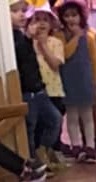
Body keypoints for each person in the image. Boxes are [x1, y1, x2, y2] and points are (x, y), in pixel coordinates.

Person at [10, 0, 63, 161]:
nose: (21, 14)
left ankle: (41, 151)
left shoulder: (21, 36)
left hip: (39, 90)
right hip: (26, 92)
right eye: (15, 11)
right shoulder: (11, 37)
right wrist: (28, 37)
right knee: (30, 127)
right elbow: (18, 58)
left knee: (55, 119)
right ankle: (31, 160)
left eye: (23, 11)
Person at [57, 0, 96, 161]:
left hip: (85, 79)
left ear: (81, 16)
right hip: (69, 80)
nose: (70, 19)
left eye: (74, 15)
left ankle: (90, 146)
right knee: (72, 115)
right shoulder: (60, 35)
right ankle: (76, 145)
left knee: (87, 115)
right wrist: (75, 37)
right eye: (66, 16)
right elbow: (65, 54)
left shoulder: (90, 35)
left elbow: (93, 59)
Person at [26, 3, 66, 166]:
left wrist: (43, 45)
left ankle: (48, 152)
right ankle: (38, 157)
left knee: (55, 123)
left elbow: (55, 64)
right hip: (36, 91)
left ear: (51, 24)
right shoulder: (28, 42)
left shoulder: (56, 42)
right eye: (37, 19)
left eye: (45, 20)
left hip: (54, 90)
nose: (41, 23)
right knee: (37, 126)